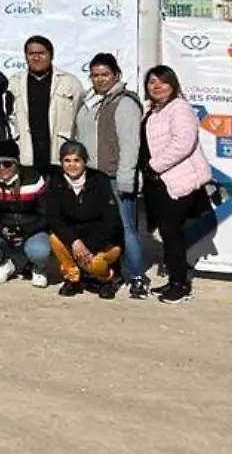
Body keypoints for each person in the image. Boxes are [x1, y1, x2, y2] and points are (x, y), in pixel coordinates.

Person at [76, 53, 146, 298]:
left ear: (116, 74)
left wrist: (126, 179)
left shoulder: (124, 102)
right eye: (95, 75)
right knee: (100, 228)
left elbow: (130, 145)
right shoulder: (88, 101)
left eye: (105, 74)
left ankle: (137, 276)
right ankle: (106, 273)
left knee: (126, 228)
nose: (100, 79)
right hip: (92, 177)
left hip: (116, 177)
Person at [139, 65, 212, 305]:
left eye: (162, 81)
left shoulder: (179, 107)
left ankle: (180, 284)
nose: (157, 86)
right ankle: (174, 279)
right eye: (152, 82)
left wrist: (154, 166)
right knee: (168, 233)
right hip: (158, 183)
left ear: (173, 85)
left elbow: (184, 142)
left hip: (177, 180)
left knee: (172, 233)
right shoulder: (153, 110)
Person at [46, 140, 125, 298]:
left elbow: (111, 219)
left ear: (85, 161)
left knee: (95, 264)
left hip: (103, 239)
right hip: (76, 237)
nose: (72, 165)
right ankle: (73, 278)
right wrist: (75, 241)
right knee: (55, 238)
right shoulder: (56, 181)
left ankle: (108, 279)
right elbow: (53, 217)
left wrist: (89, 248)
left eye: (77, 160)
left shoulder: (100, 180)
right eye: (67, 160)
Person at [0, 140, 53, 287]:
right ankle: (4, 263)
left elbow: (46, 214)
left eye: (7, 164)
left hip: (32, 227)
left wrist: (27, 231)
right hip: (3, 226)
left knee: (40, 251)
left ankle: (39, 269)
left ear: (16, 163)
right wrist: (1, 228)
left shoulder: (34, 179)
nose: (2, 168)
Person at [7, 35, 85, 172]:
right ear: (25, 56)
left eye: (41, 53)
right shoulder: (14, 82)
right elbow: (9, 118)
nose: (36, 58)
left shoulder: (70, 82)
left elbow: (79, 116)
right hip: (26, 157)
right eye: (31, 54)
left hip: (59, 157)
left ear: (51, 55)